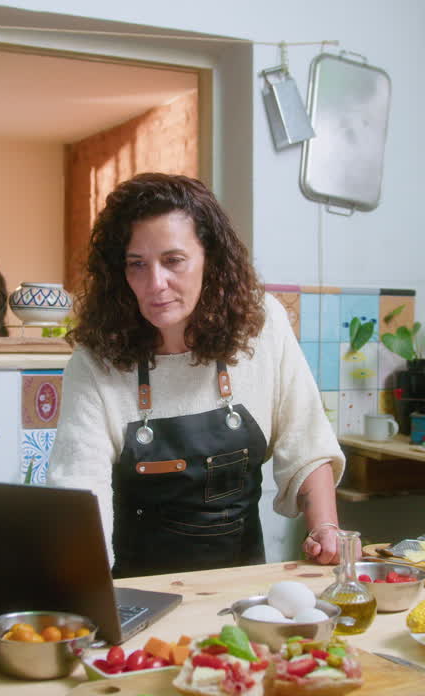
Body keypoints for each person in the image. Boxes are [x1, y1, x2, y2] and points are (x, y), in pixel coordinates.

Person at [47, 173, 345, 578]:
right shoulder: (94, 362)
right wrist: (87, 586)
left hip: (240, 588)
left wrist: (326, 529)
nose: (156, 284)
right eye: (137, 265)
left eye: (173, 261)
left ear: (211, 258)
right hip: (137, 591)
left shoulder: (261, 325)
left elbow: (307, 444)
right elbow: (81, 487)